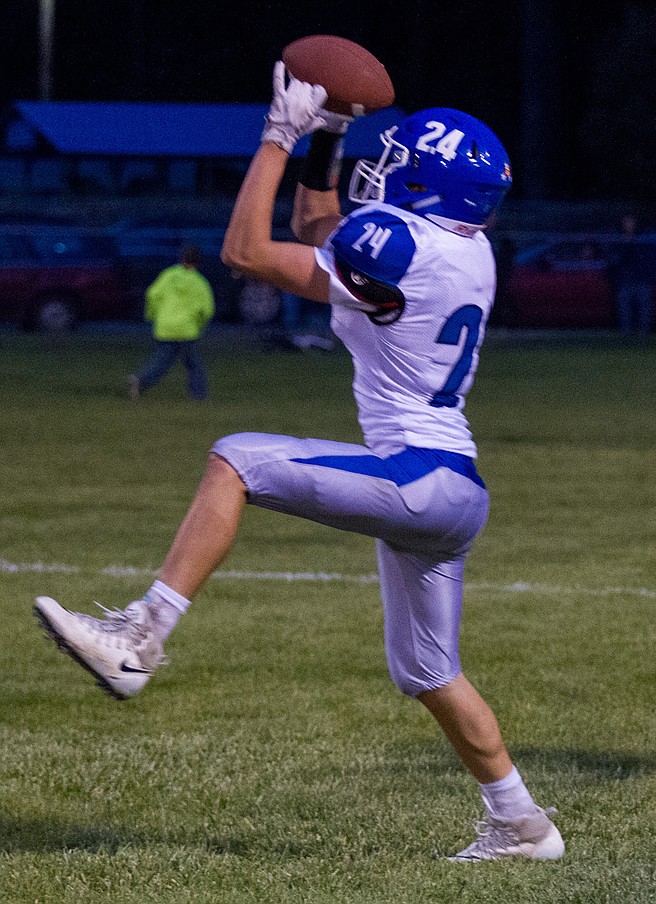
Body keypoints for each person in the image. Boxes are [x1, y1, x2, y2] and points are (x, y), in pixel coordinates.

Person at [34, 62, 563, 862]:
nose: (380, 172)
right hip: (450, 489)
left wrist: (279, 136)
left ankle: (139, 639)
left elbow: (247, 252)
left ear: (426, 187)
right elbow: (327, 233)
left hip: (420, 478)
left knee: (236, 459)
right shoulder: (466, 249)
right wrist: (329, 142)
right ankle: (524, 824)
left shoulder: (400, 246)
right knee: (427, 673)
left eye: (399, 166)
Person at [128, 245, 215, 400]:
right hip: (187, 328)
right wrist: (199, 325)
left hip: (165, 326)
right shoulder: (199, 282)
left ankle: (141, 381)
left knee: (163, 361)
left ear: (181, 258)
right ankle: (199, 395)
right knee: (192, 364)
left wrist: (153, 315)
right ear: (198, 262)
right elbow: (207, 309)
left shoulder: (168, 275)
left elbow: (152, 294)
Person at [608, 213, 656, 335]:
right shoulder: (618, 239)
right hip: (625, 279)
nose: (628, 225)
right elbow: (614, 259)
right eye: (626, 222)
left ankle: (643, 335)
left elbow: (649, 258)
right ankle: (626, 335)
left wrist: (649, 275)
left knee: (644, 309)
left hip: (642, 279)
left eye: (630, 221)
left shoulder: (644, 238)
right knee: (624, 309)